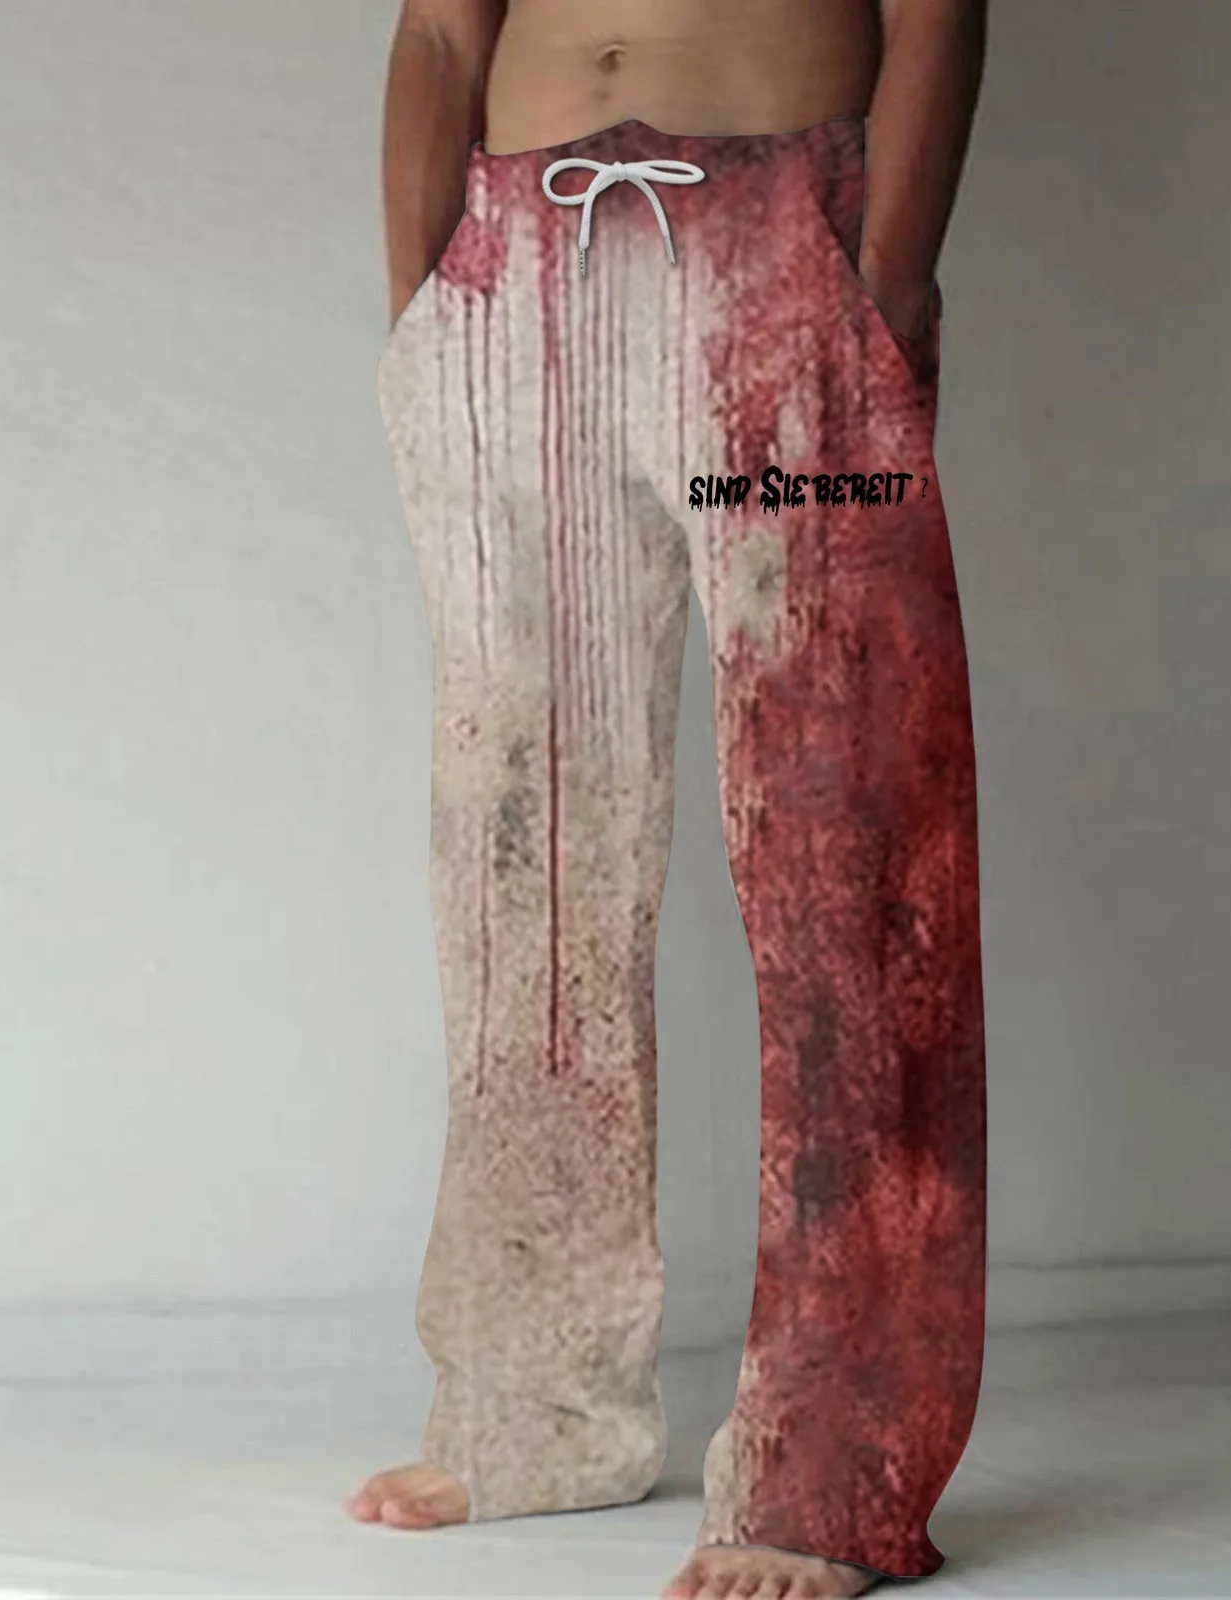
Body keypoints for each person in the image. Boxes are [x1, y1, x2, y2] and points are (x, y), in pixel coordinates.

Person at [350, 1, 988, 1594]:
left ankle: (833, 1467)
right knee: (521, 853)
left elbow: (937, 14)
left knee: (845, 838)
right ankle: (529, 1412)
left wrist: (885, 279)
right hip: (512, 275)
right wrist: (424, 304)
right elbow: (439, 32)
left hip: (785, 264)